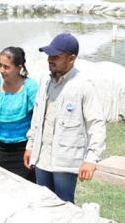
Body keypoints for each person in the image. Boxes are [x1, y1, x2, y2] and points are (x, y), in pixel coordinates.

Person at [24, 33, 106, 203]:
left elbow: (96, 124)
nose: (50, 60)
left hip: (65, 161)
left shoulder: (83, 86)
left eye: (56, 56)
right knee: (43, 204)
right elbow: (38, 118)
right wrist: (31, 145)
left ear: (71, 59)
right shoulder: (46, 83)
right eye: (49, 56)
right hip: (42, 158)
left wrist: (91, 159)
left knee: (65, 206)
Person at [0, 47, 38, 182]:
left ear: (19, 68)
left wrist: (31, 147)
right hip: (1, 147)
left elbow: (38, 120)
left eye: (6, 67)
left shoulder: (30, 88)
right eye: (0, 65)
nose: (1, 70)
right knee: (5, 184)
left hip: (23, 148)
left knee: (24, 186)